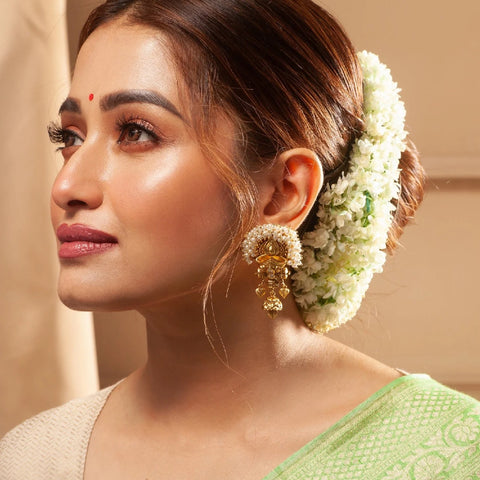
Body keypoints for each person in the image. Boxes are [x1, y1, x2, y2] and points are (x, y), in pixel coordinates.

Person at [1, 0, 479, 478]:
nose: (67, 187)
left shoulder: (452, 454)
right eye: (69, 137)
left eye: (136, 132)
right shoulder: (31, 458)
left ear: (283, 192)